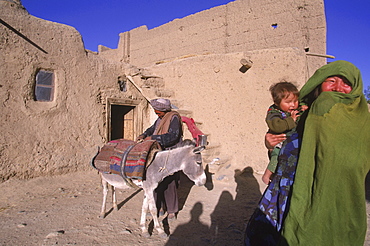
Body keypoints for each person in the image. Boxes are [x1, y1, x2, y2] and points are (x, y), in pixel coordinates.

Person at [245, 60, 370, 246]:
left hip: (328, 197)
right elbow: (287, 148)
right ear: (319, 85)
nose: (338, 88)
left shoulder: (362, 123)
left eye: (346, 83)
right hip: (284, 191)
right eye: (331, 81)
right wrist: (270, 145)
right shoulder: (302, 114)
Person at [137, 98, 183, 220]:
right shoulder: (161, 119)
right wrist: (145, 134)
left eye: (158, 112)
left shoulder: (173, 118)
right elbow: (152, 129)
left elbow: (173, 136)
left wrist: (154, 138)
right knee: (155, 180)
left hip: (170, 154)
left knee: (169, 181)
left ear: (164, 110)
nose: (157, 114)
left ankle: (172, 210)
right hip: (159, 153)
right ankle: (158, 207)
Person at [262, 82, 307, 185]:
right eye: (288, 102)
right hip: (279, 143)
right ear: (277, 103)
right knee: (276, 157)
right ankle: (268, 174)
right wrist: (291, 120)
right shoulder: (274, 113)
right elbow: (277, 126)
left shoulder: (295, 109)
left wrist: (303, 109)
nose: (293, 104)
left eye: (295, 101)